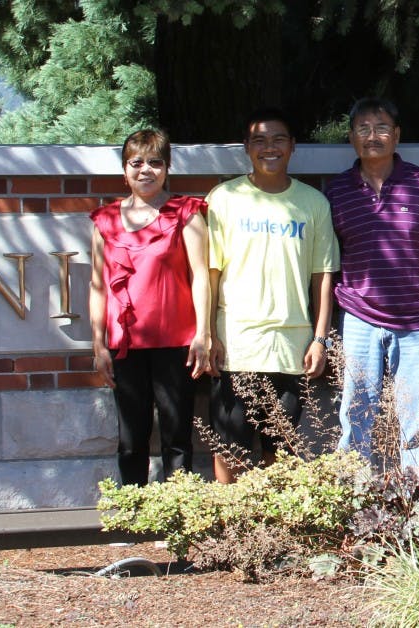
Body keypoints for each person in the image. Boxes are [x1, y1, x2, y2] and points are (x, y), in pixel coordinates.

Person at [325, 97, 419, 471]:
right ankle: (354, 498)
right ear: (352, 137)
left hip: (417, 320)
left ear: (397, 135)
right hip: (358, 317)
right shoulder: (337, 192)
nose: (373, 136)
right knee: (355, 415)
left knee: (417, 418)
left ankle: (416, 503)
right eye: (363, 129)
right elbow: (324, 263)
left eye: (382, 128)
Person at [206, 107, 340, 483]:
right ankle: (229, 527)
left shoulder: (314, 203)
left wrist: (319, 338)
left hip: (291, 345)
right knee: (229, 446)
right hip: (236, 343)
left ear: (293, 146)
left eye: (278, 139)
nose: (270, 147)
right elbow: (210, 273)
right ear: (247, 147)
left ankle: (273, 527)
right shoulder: (224, 198)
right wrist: (208, 334)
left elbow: (323, 276)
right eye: (260, 140)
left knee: (279, 448)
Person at [89, 128, 211, 486]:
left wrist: (202, 333)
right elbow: (97, 285)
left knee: (176, 438)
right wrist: (98, 343)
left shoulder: (185, 214)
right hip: (125, 345)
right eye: (136, 162)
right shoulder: (104, 220)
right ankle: (133, 518)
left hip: (176, 343)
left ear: (168, 167)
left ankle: (177, 520)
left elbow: (201, 276)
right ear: (124, 169)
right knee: (131, 439)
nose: (146, 170)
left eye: (155, 162)